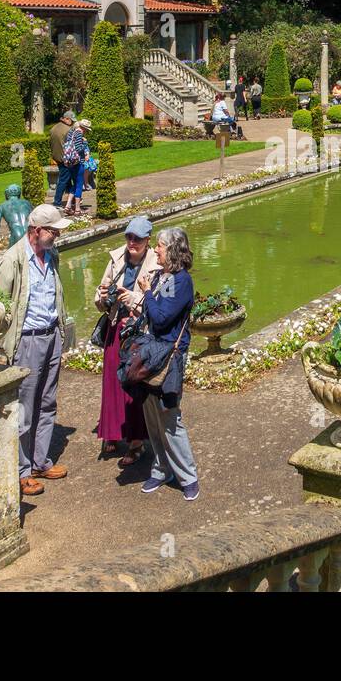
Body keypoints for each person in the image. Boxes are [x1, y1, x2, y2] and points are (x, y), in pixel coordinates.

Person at [0, 203, 73, 498]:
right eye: (53, 231)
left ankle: (40, 462)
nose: (56, 236)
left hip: (51, 336)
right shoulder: (12, 259)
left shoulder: (52, 255)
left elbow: (56, 295)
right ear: (36, 230)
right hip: (26, 341)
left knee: (47, 402)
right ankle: (21, 471)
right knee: (24, 408)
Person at [138, 226, 199, 500]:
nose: (155, 250)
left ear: (173, 250)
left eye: (160, 246)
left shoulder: (182, 281)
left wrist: (148, 293)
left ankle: (188, 475)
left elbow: (162, 318)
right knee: (151, 414)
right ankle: (162, 468)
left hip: (170, 357)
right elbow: (151, 315)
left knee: (169, 414)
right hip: (152, 353)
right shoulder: (162, 276)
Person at [93, 217, 161, 467]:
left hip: (139, 331)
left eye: (138, 239)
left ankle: (135, 442)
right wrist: (103, 298)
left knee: (133, 386)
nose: (132, 243)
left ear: (147, 240)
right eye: (129, 237)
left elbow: (157, 301)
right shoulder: (117, 259)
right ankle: (111, 431)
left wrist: (131, 297)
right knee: (112, 380)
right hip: (115, 326)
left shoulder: (157, 263)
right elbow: (99, 296)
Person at [0, 184, 32, 253]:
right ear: (19, 194)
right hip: (31, 235)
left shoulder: (1, 206)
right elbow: (37, 218)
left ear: (6, 194)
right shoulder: (27, 203)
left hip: (17, 236)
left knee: (11, 260)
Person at [64, 119, 92, 217]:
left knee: (75, 184)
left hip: (70, 162)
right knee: (79, 185)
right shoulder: (79, 133)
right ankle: (77, 209)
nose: (87, 132)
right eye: (87, 130)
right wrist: (85, 143)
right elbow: (78, 148)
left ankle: (67, 206)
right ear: (83, 128)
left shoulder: (71, 132)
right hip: (78, 162)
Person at [50, 110, 77, 208]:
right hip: (66, 159)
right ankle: (57, 202)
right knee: (64, 180)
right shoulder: (68, 130)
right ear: (66, 119)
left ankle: (72, 201)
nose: (72, 123)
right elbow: (71, 146)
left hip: (57, 157)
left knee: (67, 179)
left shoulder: (53, 128)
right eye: (71, 120)